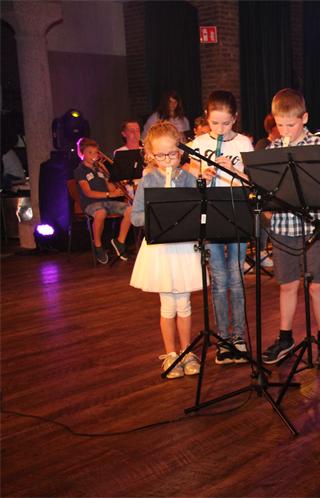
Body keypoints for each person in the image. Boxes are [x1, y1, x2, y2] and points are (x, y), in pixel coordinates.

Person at [261, 88, 320, 365]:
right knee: (288, 285)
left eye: (290, 124)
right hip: (283, 229)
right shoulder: (273, 149)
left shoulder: (317, 146)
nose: (285, 131)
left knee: (317, 286)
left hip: (312, 229)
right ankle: (285, 338)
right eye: (280, 125)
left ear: (305, 118)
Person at [130, 121, 204, 378]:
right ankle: (171, 354)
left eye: (172, 154)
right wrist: (158, 213)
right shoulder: (148, 180)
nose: (167, 160)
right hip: (160, 250)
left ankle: (187, 352)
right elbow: (135, 217)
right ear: (151, 155)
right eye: (160, 155)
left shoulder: (188, 178)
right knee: (167, 305)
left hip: (183, 248)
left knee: (184, 304)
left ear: (180, 151)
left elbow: (199, 213)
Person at [188, 90, 253, 365]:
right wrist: (201, 175)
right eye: (215, 123)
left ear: (235, 119)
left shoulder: (243, 143)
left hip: (236, 211)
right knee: (218, 279)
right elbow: (189, 176)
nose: (220, 129)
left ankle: (238, 337)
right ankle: (223, 339)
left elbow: (251, 181)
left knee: (236, 277)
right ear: (206, 118)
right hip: (210, 213)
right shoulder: (199, 142)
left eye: (226, 123)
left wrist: (233, 171)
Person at [73, 138, 133, 264]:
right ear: (82, 153)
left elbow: (111, 189)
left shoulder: (100, 169)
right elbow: (88, 192)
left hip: (107, 201)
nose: (93, 155)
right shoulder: (80, 171)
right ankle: (98, 246)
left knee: (130, 210)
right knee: (100, 213)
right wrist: (110, 194)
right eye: (90, 152)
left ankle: (120, 242)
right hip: (91, 203)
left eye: (95, 152)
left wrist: (110, 179)